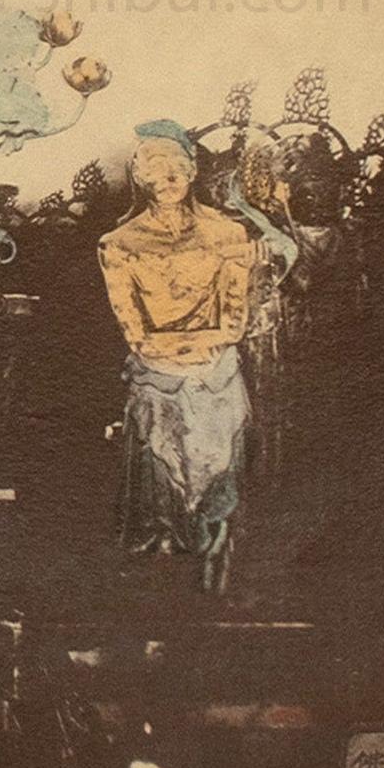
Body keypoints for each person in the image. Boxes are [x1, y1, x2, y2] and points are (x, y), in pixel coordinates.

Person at [98, 122, 258, 592]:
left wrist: (194, 350)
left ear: (193, 170)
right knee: (158, 432)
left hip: (216, 370)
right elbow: (135, 333)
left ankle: (221, 540)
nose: (167, 177)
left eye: (176, 167)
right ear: (138, 176)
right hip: (158, 374)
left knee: (222, 440)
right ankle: (162, 548)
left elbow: (234, 321)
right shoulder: (119, 244)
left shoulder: (229, 234)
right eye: (155, 167)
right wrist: (180, 350)